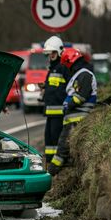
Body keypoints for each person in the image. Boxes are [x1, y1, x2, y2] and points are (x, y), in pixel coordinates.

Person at [48, 48, 97, 176]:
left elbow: (81, 96)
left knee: (63, 145)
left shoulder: (84, 74)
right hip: (72, 118)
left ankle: (52, 171)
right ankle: (58, 168)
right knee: (63, 143)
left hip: (77, 119)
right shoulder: (79, 74)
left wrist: (68, 105)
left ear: (69, 62)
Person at [41, 36, 69, 166]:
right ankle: (49, 162)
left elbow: (68, 87)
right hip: (50, 112)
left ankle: (57, 164)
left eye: (52, 53)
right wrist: (44, 87)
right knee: (49, 139)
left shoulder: (63, 68)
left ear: (59, 52)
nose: (50, 56)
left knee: (56, 139)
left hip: (59, 112)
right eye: (49, 53)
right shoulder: (52, 68)